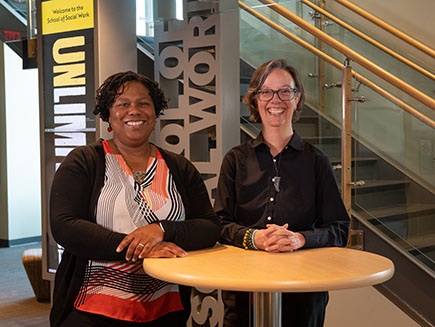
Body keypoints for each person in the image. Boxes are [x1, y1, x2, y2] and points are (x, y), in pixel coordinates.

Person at [49, 71, 220, 327]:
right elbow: (65, 226)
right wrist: (143, 249)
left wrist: (161, 230)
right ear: (109, 115)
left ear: (155, 115)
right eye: (123, 104)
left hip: (166, 307)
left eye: (143, 103)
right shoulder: (85, 161)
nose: (134, 111)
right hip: (92, 308)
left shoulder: (179, 167)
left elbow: (208, 226)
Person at [214, 59, 350, 327]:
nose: (275, 100)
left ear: (297, 99)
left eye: (285, 91)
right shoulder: (235, 159)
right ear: (255, 100)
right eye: (266, 92)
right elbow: (219, 224)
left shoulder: (317, 161)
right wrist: (254, 238)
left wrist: (300, 239)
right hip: (243, 289)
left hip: (304, 290)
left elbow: (339, 229)